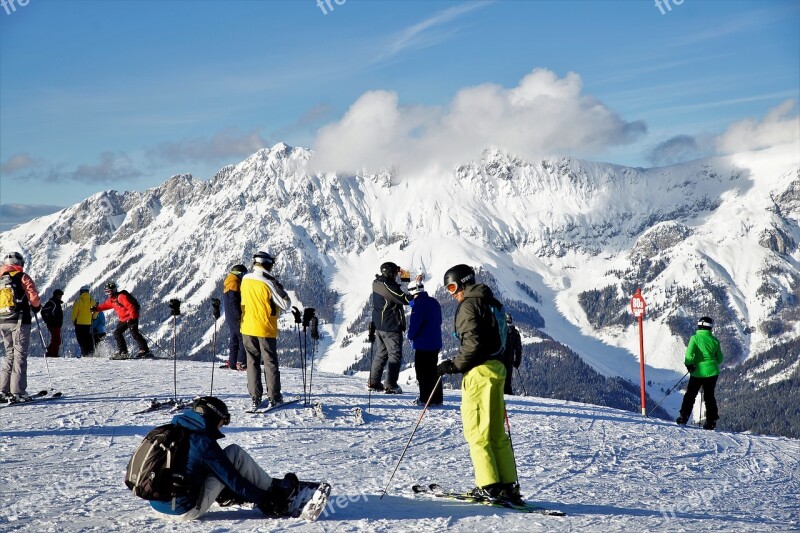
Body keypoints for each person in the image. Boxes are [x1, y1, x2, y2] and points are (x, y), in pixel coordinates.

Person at [436, 264, 520, 502]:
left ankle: (489, 485)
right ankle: (507, 485)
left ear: (463, 282)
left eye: (453, 286)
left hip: (479, 374)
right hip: (497, 370)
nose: (452, 293)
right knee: (496, 432)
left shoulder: (469, 305)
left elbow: (472, 344)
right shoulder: (492, 303)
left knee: (477, 431)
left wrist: (453, 366)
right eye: (448, 288)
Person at [150, 396, 300, 520]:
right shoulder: (203, 444)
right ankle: (273, 489)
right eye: (224, 421)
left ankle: (224, 495)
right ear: (214, 418)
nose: (223, 426)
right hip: (183, 510)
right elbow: (233, 479)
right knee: (234, 454)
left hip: (158, 504)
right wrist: (265, 499)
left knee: (207, 466)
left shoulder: (175, 430)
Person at [240, 251, 291, 409]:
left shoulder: (245, 279)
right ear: (268, 264)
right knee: (270, 362)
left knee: (252, 362)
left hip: (247, 326)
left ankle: (255, 397)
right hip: (265, 327)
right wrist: (278, 288)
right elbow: (285, 304)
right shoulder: (268, 282)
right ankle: (274, 397)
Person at [0, 252, 42, 401]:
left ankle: (3, 390)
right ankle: (18, 392)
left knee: (9, 355)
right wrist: (36, 307)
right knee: (20, 356)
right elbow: (33, 297)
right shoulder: (22, 276)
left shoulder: (0, 278)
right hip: (19, 321)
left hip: (3, 321)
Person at [369, 262, 412, 394]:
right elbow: (404, 298)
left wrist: (404, 274)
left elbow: (398, 287)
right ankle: (390, 385)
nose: (396, 275)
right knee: (395, 356)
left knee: (381, 354)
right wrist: (417, 292)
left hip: (379, 326)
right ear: (390, 274)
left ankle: (373, 382)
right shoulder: (389, 286)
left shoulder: (377, 283)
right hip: (391, 326)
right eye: (395, 273)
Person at [676, 316, 724, 430]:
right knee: (709, 397)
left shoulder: (694, 338)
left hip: (697, 372)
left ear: (699, 326)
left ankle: (683, 417)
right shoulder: (715, 341)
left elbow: (688, 355)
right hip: (712, 372)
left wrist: (689, 365)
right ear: (710, 327)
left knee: (690, 395)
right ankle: (711, 422)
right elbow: (720, 359)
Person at [407, 279, 443, 405]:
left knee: (422, 373)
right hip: (435, 342)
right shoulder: (434, 302)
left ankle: (425, 399)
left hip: (423, 344)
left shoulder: (418, 305)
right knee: (433, 371)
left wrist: (410, 336)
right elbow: (440, 320)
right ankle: (437, 399)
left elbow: (414, 325)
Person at [95, 282, 150, 359]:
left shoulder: (121, 297)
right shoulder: (112, 299)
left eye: (109, 291)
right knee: (117, 333)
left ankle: (145, 350)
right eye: (106, 292)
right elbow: (106, 305)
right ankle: (123, 352)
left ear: (113, 290)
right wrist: (96, 309)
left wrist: (132, 318)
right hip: (123, 319)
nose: (108, 293)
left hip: (131, 318)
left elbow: (131, 307)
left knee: (135, 333)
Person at [222, 264, 247, 371]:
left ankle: (232, 362)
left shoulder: (229, 282)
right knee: (242, 338)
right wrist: (238, 313)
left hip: (230, 316)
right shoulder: (234, 284)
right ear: (239, 274)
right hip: (235, 315)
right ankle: (241, 362)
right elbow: (233, 301)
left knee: (234, 339)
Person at [71, 286, 96, 357]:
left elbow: (74, 312)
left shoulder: (78, 300)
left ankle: (84, 353)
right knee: (88, 338)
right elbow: (95, 311)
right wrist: (93, 318)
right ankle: (90, 353)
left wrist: (73, 320)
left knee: (81, 339)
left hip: (79, 323)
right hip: (88, 323)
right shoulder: (92, 300)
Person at [502, 312, 523, 395]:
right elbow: (518, 349)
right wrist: (517, 362)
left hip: (498, 358)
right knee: (507, 381)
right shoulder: (515, 332)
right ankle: (508, 396)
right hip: (509, 360)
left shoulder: (498, 330)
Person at [41, 289, 64, 358]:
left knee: (55, 339)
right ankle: (54, 354)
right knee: (57, 340)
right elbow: (43, 311)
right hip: (54, 324)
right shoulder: (53, 303)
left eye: (61, 295)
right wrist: (49, 320)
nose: (60, 297)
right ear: (56, 295)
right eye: (59, 295)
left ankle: (49, 353)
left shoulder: (55, 303)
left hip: (56, 324)